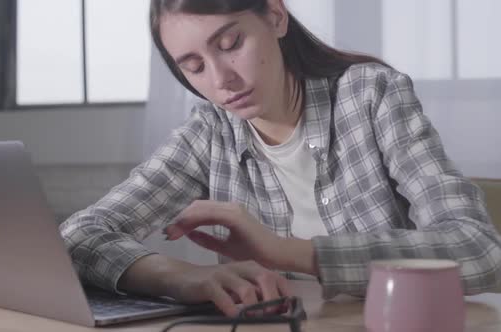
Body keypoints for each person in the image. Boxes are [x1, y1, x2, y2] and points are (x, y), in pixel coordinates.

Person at [60, 0, 501, 317]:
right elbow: (78, 236)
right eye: (194, 67)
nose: (222, 80)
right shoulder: (210, 131)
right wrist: (181, 278)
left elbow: (479, 250)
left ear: (275, 15)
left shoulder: (372, 95)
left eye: (230, 43)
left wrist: (285, 252)